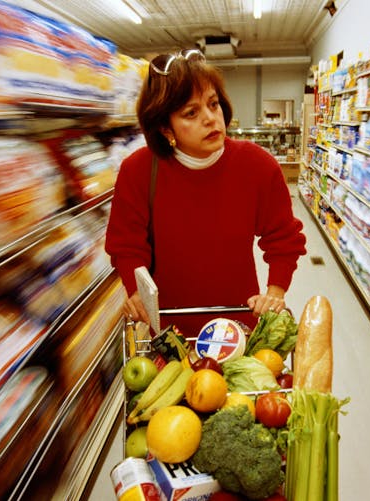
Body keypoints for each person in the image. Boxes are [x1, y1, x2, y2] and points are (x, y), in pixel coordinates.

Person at [105, 49, 306, 336]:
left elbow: (283, 239)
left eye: (213, 104)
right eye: (191, 112)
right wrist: (135, 291)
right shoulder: (138, 171)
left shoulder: (257, 165)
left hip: (237, 327)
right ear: (165, 127)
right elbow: (126, 246)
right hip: (168, 331)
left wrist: (275, 292)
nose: (211, 119)